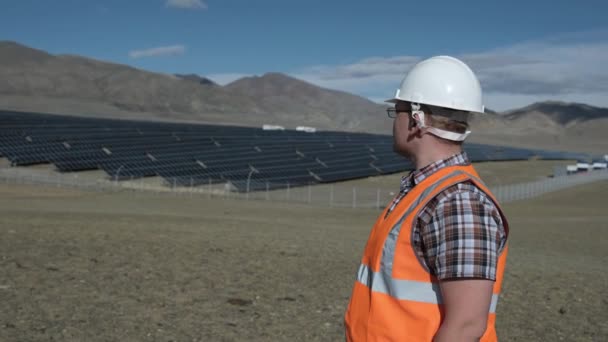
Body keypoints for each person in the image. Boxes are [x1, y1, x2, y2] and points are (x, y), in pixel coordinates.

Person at [344, 56, 509, 342]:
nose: (394, 121)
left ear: (416, 119)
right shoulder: (427, 191)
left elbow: (466, 326)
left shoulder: (457, 202)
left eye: (397, 111)